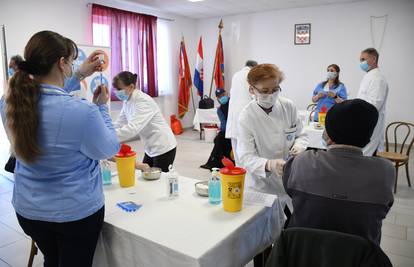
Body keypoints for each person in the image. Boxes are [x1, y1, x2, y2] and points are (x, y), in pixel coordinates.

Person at [0, 31, 120, 267]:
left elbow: (48, 93)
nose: (74, 65)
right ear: (62, 63)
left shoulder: (9, 103)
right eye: (72, 61)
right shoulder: (83, 111)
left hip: (29, 211)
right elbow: (108, 148)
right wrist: (102, 109)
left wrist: (81, 73)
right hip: (73, 215)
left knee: (52, 259)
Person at [282, 99, 395, 245]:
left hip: (302, 253)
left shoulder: (302, 162)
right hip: (360, 258)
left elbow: (288, 189)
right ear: (368, 137)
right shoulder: (385, 171)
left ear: (328, 134)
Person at [237, 64, 308, 206]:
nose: (271, 95)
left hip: (290, 180)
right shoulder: (246, 117)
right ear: (252, 89)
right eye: (264, 91)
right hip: (262, 185)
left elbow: (302, 134)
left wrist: (299, 146)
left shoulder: (288, 106)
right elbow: (245, 157)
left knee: (289, 221)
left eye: (275, 89)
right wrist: (269, 164)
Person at [112, 71, 177, 172]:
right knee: (145, 176)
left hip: (163, 147)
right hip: (150, 148)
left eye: (119, 89)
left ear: (131, 87)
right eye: (116, 89)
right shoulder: (127, 101)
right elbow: (119, 123)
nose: (116, 92)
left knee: (158, 181)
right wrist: (105, 130)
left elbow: (132, 129)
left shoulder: (143, 101)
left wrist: (108, 137)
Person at [357, 48, 389, 156]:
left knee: (369, 155)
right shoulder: (368, 76)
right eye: (360, 60)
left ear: (374, 59)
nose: (361, 63)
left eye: (363, 59)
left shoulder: (378, 78)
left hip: (371, 124)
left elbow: (374, 105)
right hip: (363, 122)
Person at [225, 60, 258, 165]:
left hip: (233, 116)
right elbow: (255, 96)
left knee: (236, 148)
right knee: (246, 149)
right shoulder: (251, 75)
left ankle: (238, 171)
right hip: (245, 115)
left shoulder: (236, 75)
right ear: (254, 67)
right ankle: (245, 173)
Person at [200, 88, 232, 169]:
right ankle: (219, 161)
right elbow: (223, 124)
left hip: (236, 129)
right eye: (219, 96)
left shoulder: (233, 104)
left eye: (223, 95)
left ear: (227, 94)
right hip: (228, 131)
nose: (222, 97)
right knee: (218, 140)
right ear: (217, 98)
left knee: (219, 140)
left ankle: (214, 162)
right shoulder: (220, 109)